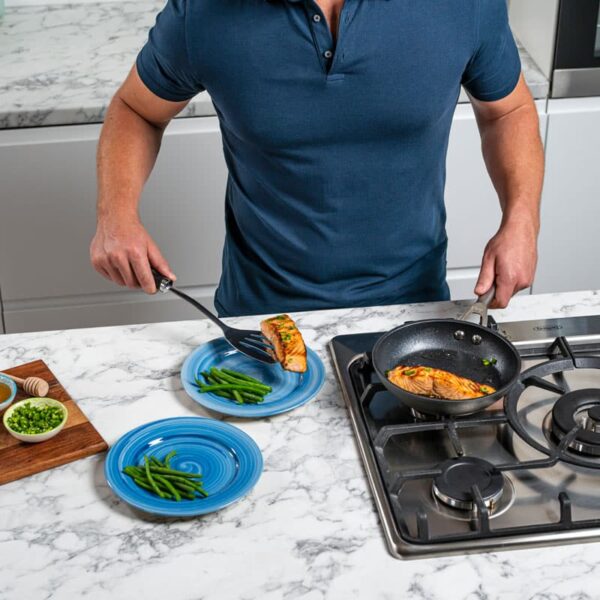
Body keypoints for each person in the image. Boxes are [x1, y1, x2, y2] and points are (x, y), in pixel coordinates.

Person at [91, 0, 544, 317]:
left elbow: (508, 111)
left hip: (413, 309)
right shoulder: (204, 12)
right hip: (260, 317)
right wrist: (117, 217)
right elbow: (136, 110)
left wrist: (521, 220)